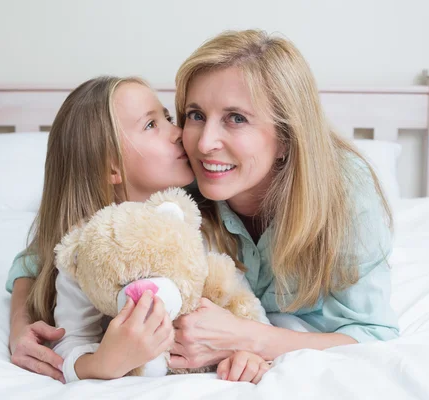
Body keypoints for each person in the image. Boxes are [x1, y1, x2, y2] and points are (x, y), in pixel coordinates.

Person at [6, 75, 270, 384]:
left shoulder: (203, 220)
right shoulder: (91, 248)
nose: (179, 133)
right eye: (151, 125)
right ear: (111, 167)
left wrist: (247, 352)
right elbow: (70, 335)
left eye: (168, 117)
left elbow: (240, 305)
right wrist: (101, 364)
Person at [167, 29, 400, 370]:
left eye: (236, 119)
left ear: (287, 139)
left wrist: (249, 338)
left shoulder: (346, 193)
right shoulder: (175, 190)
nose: (204, 144)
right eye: (196, 115)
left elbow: (374, 336)